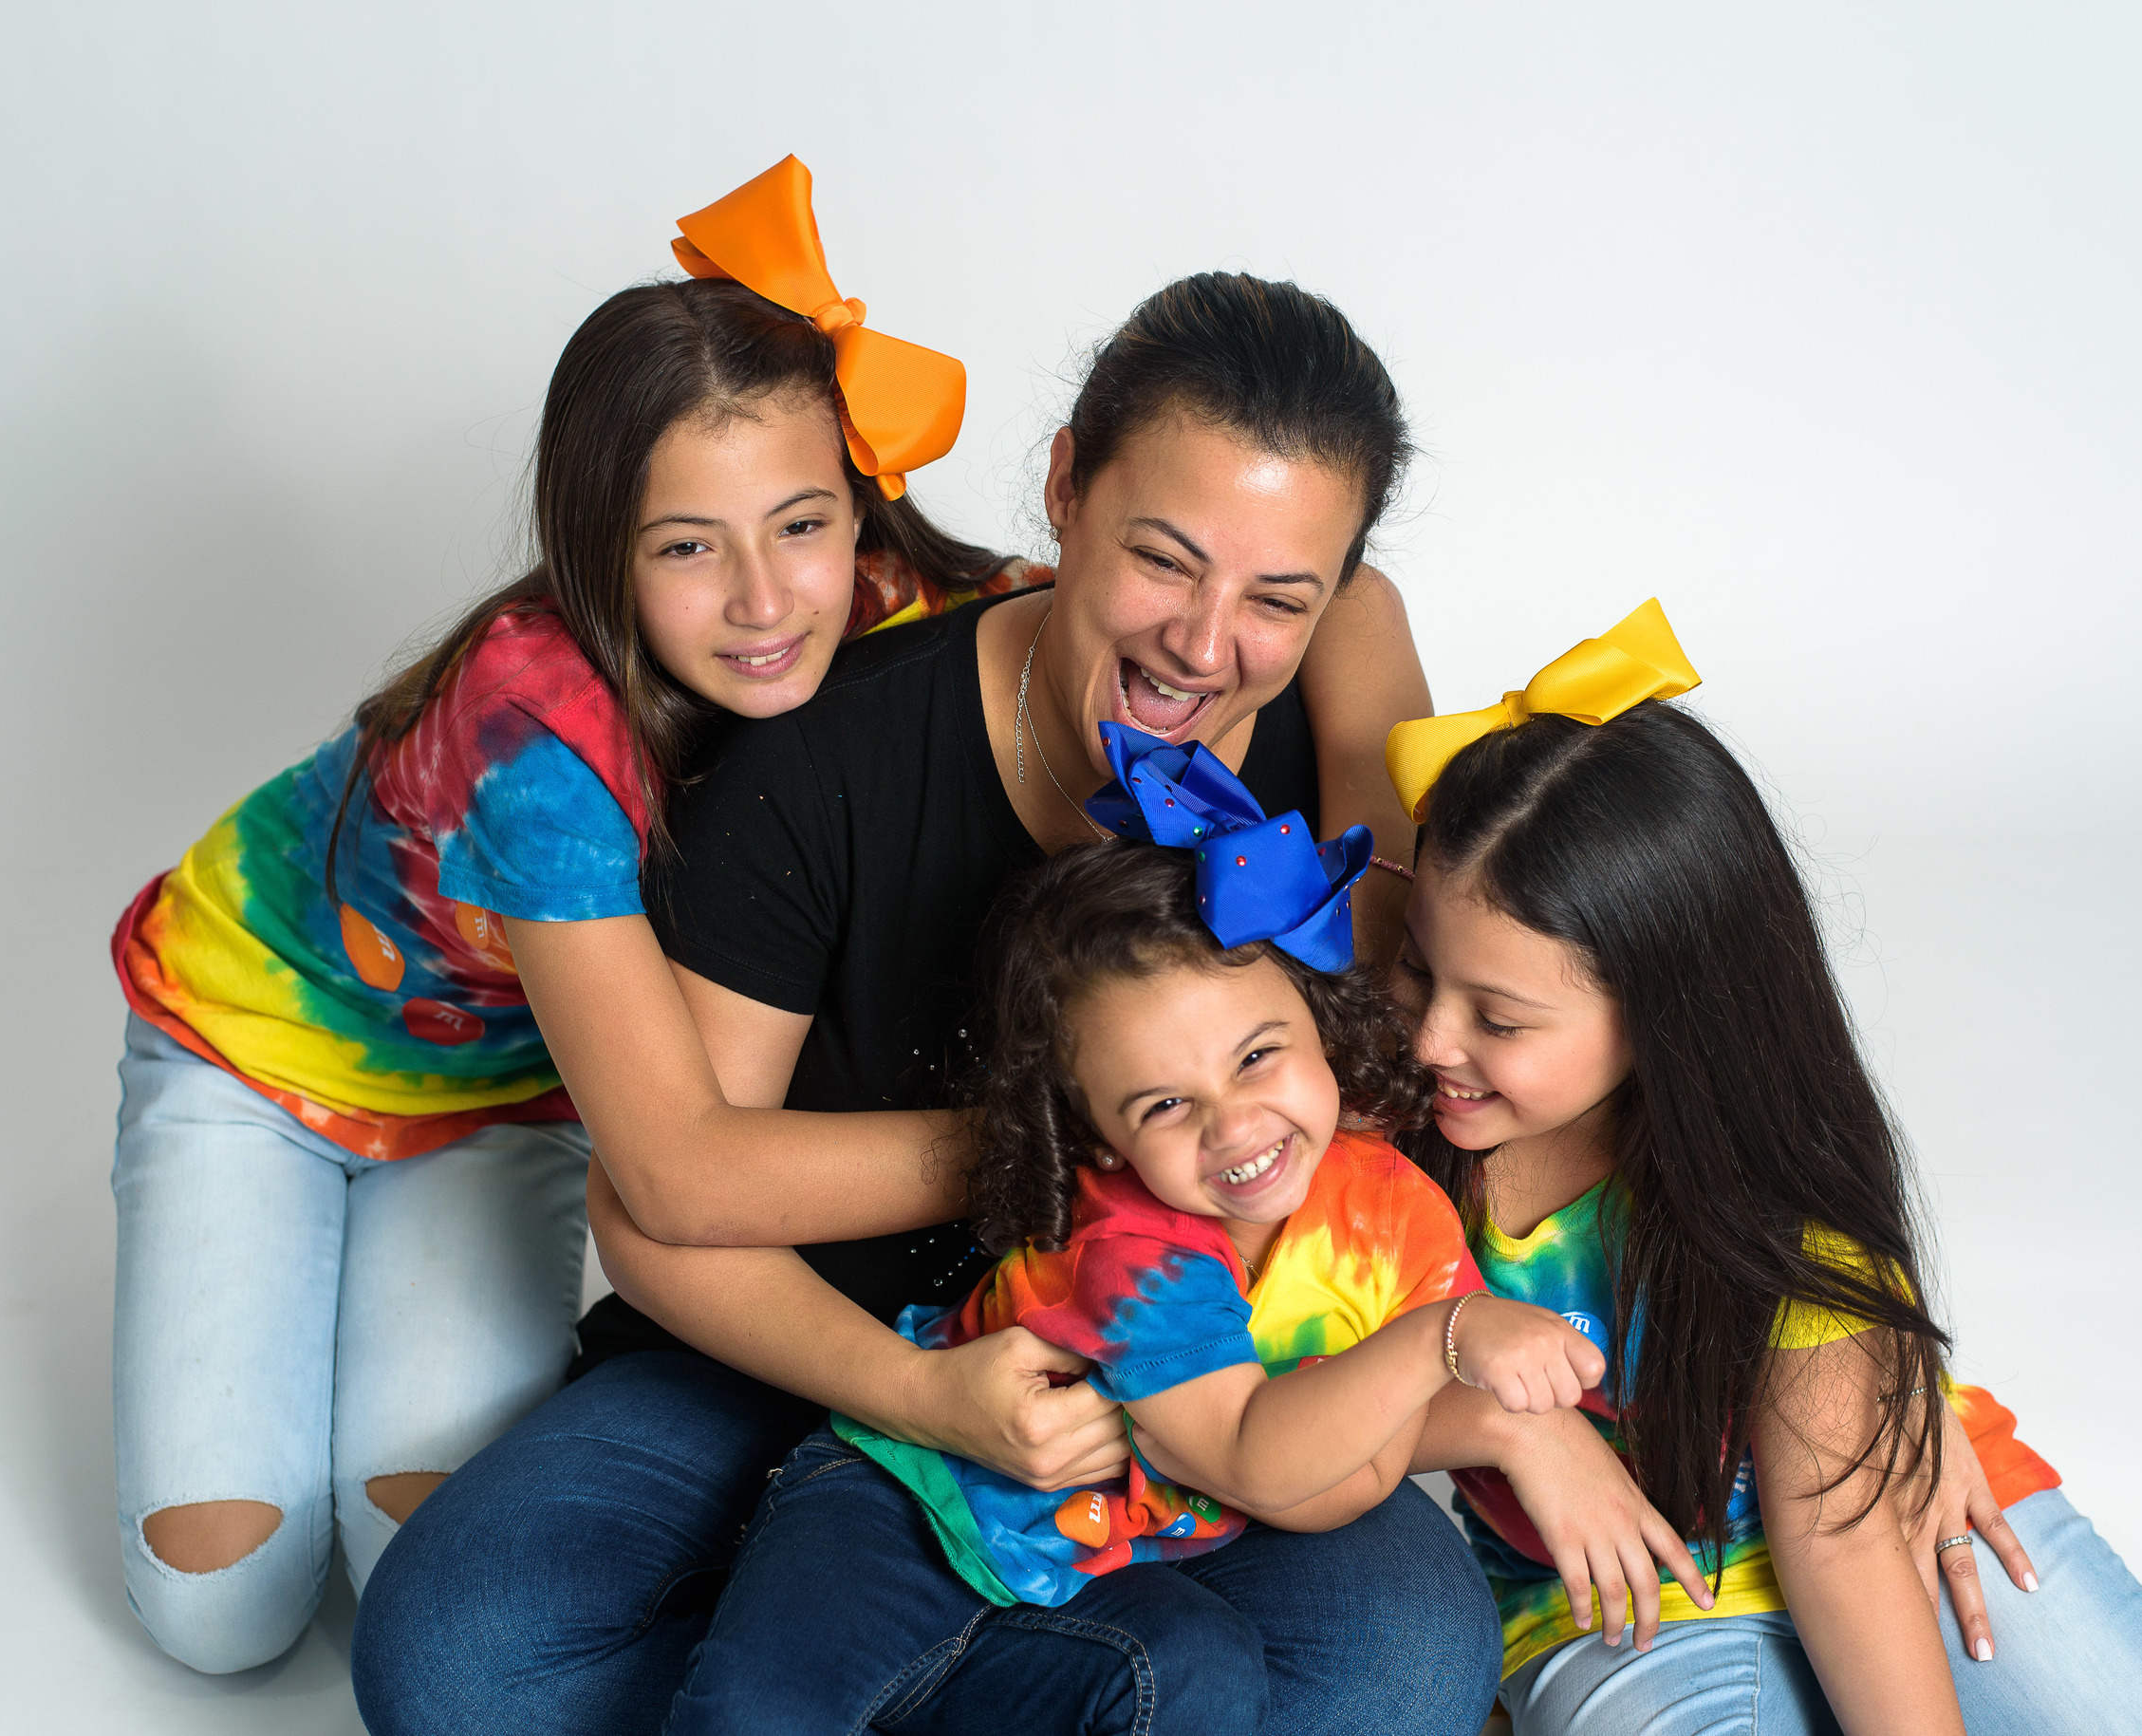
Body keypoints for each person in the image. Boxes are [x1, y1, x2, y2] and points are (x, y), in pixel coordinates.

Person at [351, 271, 1499, 1736]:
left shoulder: (1318, 737)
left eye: (1282, 594)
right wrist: (925, 1380)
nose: (1207, 647)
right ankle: (1008, 1664)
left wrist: (1354, 667)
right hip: (802, 1365)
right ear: (1066, 484)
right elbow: (655, 1216)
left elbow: (1413, 1010)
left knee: (1409, 1667)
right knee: (457, 1661)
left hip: (1193, 1389)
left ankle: (962, 1668)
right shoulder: (816, 767)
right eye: (1166, 559)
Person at [104, 155, 1051, 1673]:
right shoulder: (535, 738)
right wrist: (1048, 1135)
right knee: (228, 1608)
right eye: (688, 547)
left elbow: (1086, 630)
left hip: (500, 1106)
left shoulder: (879, 603)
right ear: (599, 547)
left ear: (859, 512)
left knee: (413, 1541)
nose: (763, 598)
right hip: (256, 1054)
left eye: (800, 525)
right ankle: (242, 1238)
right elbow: (676, 1165)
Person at [1381, 603, 2142, 1734]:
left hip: (1899, 1509)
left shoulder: (1764, 1199)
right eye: (1414, 967)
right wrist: (1505, 1429)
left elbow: (1838, 1538)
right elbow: (1296, 1400)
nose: (1432, 1039)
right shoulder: (1369, 1123)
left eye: (1499, 1018)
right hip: (1623, 1600)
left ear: (1660, 1016)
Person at [661, 731, 1607, 1733]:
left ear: (1321, 1024)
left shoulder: (1389, 1206)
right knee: (758, 1712)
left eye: (1256, 1055)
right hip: (899, 1510)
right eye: (1162, 1105)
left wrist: (1494, 1406)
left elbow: (1350, 1469)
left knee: (1193, 1671)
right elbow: (1259, 1457)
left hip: (1082, 1562)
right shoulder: (1132, 1251)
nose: (1233, 1124)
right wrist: (1442, 1339)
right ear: (1097, 1141)